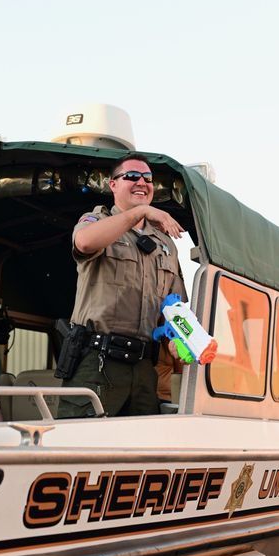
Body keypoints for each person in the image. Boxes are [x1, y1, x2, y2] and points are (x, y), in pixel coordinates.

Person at [57, 153, 187, 418]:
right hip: (98, 362)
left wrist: (178, 341)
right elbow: (84, 242)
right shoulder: (95, 220)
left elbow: (175, 307)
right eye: (132, 176)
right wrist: (140, 211)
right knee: (82, 440)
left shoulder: (165, 244)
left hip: (143, 368)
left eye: (147, 178)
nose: (142, 182)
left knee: (143, 442)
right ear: (113, 184)